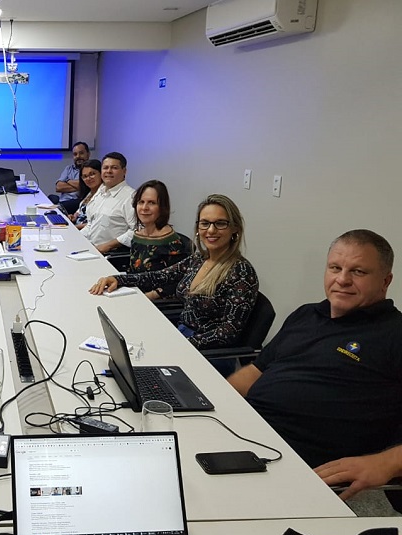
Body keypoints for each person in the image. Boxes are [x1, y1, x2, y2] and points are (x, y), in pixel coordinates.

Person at [227, 229, 402, 501]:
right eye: (335, 267)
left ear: (385, 281)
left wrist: (386, 463)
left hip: (300, 467)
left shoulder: (394, 333)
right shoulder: (307, 314)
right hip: (242, 435)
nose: (342, 279)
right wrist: (208, 402)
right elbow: (252, 374)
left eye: (358, 272)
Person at [90, 194, 258, 373]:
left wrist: (181, 345)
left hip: (208, 355)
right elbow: (159, 276)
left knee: (138, 371)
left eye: (220, 223)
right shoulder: (200, 259)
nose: (210, 230)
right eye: (205, 223)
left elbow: (228, 332)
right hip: (181, 336)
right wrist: (119, 279)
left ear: (235, 229)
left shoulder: (241, 272)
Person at [127, 180, 190, 300]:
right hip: (134, 294)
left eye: (151, 203)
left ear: (162, 207)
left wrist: (147, 297)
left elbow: (179, 283)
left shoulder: (174, 243)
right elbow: (133, 272)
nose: (144, 208)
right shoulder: (137, 236)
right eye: (141, 202)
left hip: (157, 303)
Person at [82, 152, 137, 254]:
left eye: (114, 168)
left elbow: (136, 230)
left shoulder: (131, 197)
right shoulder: (101, 192)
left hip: (109, 253)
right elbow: (91, 224)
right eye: (105, 168)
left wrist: (108, 245)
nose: (109, 171)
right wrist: (76, 237)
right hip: (90, 248)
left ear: (124, 171)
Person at [54, 141, 90, 215]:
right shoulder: (69, 168)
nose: (78, 156)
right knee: (50, 199)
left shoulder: (91, 169)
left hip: (77, 202)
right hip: (63, 201)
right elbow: (58, 187)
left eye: (81, 153)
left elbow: (87, 186)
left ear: (88, 154)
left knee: (54, 210)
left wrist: (67, 181)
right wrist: (80, 186)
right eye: (75, 154)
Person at [69, 159, 102, 229]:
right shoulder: (89, 192)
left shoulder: (104, 194)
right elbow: (80, 211)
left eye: (92, 174)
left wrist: (73, 228)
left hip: (87, 232)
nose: (88, 178)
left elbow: (95, 223)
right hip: (77, 228)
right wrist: (74, 216)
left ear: (101, 173)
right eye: (85, 176)